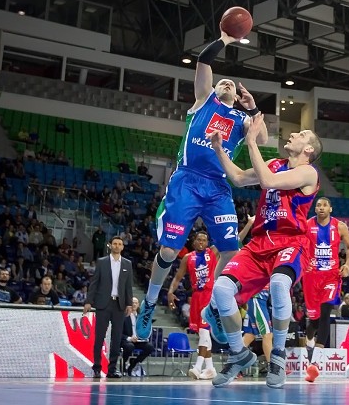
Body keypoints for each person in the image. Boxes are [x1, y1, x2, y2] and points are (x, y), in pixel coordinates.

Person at [135, 28, 268, 339]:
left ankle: (212, 307)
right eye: (221, 81)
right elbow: (203, 60)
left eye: (230, 85)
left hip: (218, 187)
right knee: (169, 251)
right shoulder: (203, 100)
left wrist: (252, 107)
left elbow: (262, 138)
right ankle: (150, 303)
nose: (225, 84)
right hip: (187, 181)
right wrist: (225, 38)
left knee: (231, 251)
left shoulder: (240, 118)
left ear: (236, 96)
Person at [202, 115, 321, 389]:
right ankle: (239, 354)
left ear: (309, 150)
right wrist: (219, 149)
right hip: (259, 245)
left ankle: (278, 356)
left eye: (301, 134)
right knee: (220, 290)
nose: (293, 134)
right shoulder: (274, 164)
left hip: (291, 241)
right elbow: (239, 178)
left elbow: (267, 182)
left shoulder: (308, 172)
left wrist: (253, 140)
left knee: (280, 284)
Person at [302, 196, 349, 383]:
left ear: (330, 209)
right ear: (315, 209)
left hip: (332, 277)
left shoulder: (339, 226)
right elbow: (297, 246)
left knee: (326, 313)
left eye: (324, 205)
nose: (321, 207)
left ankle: (314, 363)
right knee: (313, 322)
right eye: (318, 205)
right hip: (310, 277)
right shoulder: (307, 225)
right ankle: (309, 342)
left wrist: (347, 265)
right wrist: (302, 264)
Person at [167, 230, 219, 380]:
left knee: (204, 332)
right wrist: (170, 292)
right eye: (199, 240)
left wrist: (247, 225)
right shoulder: (188, 258)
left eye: (204, 240)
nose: (201, 242)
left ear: (207, 242)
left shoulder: (213, 252)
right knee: (203, 334)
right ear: (194, 242)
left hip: (209, 296)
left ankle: (197, 367)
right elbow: (177, 278)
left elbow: (233, 239)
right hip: (196, 296)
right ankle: (210, 369)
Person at [84, 236, 133, 379]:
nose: (117, 246)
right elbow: (94, 283)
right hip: (103, 304)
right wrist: (88, 301)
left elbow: (128, 286)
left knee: (116, 339)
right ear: (110, 245)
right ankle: (97, 367)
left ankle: (112, 369)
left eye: (120, 244)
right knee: (99, 337)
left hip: (119, 304)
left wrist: (129, 303)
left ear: (123, 247)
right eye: (115, 244)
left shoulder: (127, 264)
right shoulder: (102, 262)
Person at [122, 296, 155, 376]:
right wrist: (130, 338)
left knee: (150, 347)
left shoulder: (141, 317)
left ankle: (134, 363)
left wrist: (144, 337)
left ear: (138, 305)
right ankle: (123, 364)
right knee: (130, 346)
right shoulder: (123, 316)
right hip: (128, 341)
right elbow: (119, 333)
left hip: (139, 341)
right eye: (132, 302)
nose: (134, 304)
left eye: (136, 303)